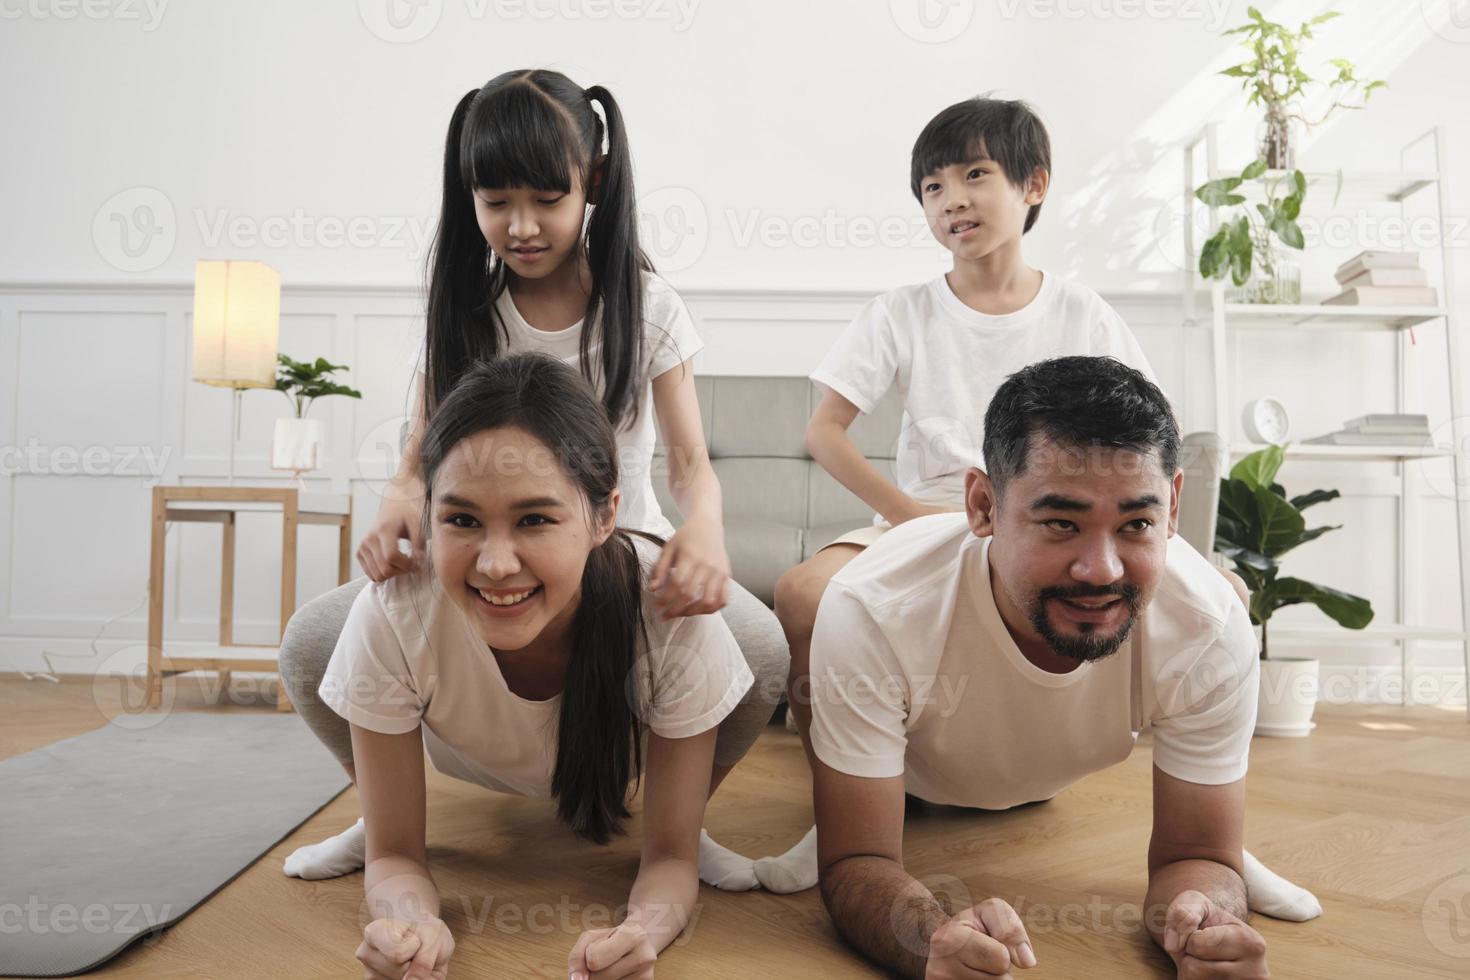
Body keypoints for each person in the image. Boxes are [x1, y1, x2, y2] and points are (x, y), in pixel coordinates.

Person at [279, 69, 786, 892]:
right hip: (488, 532)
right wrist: (396, 509)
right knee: (311, 644)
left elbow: (691, 462)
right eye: (495, 200)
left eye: (546, 199)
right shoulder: (466, 311)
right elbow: (417, 452)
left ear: (594, 187)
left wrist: (704, 534)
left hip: (617, 539)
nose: (520, 226)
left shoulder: (646, 306)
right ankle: (385, 815)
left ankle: (677, 828)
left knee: (758, 650)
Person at [806, 356, 1295, 979]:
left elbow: (1196, 854)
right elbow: (856, 859)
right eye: (1061, 523)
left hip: (1039, 780)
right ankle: (833, 778)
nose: (1102, 570)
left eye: (1136, 524)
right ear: (983, 505)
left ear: (1172, 508)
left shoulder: (1209, 626)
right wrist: (930, 939)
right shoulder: (873, 611)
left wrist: (1208, 920)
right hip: (912, 779)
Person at [322, 353, 772, 979]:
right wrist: (414, 924)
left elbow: (670, 858)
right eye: (461, 520)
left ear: (605, 514)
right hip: (457, 749)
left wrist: (643, 931)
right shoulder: (396, 611)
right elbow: (395, 854)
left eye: (534, 519)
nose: (496, 564)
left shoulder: (669, 617)